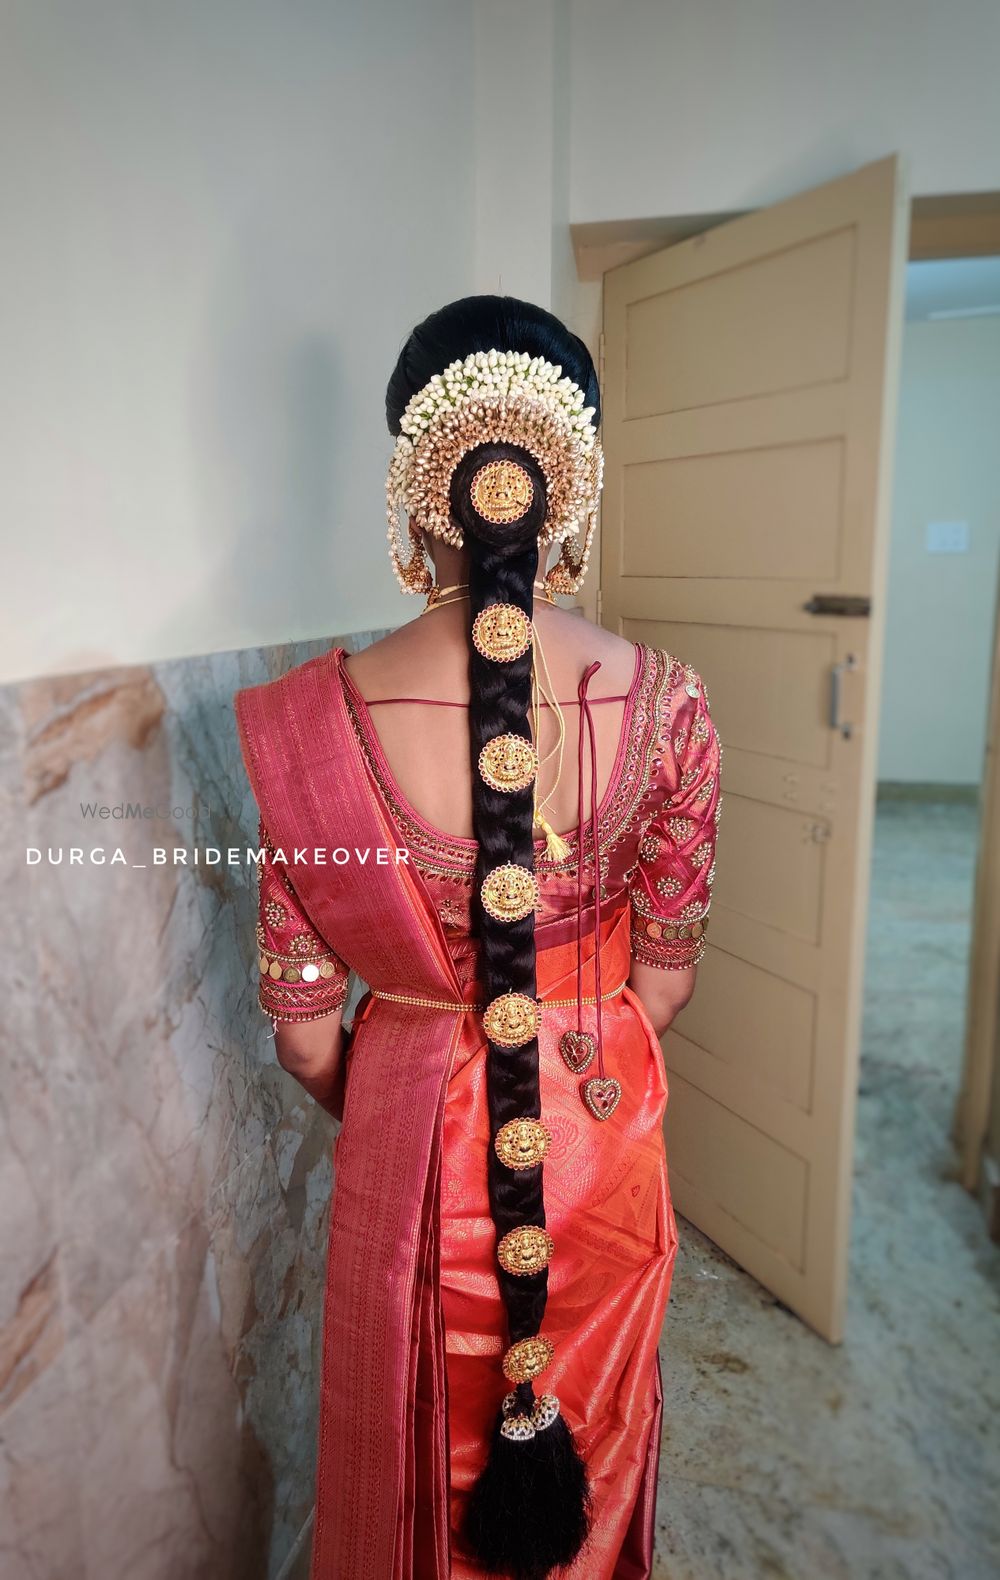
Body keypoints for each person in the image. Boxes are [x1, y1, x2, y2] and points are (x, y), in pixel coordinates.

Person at [235, 295, 721, 1580]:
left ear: (415, 489)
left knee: (424, 1452)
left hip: (422, 1140)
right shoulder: (667, 705)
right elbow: (660, 982)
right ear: (569, 489)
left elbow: (298, 1034)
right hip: (596, 1125)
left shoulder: (318, 721)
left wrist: (408, 1088)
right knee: (596, 1427)